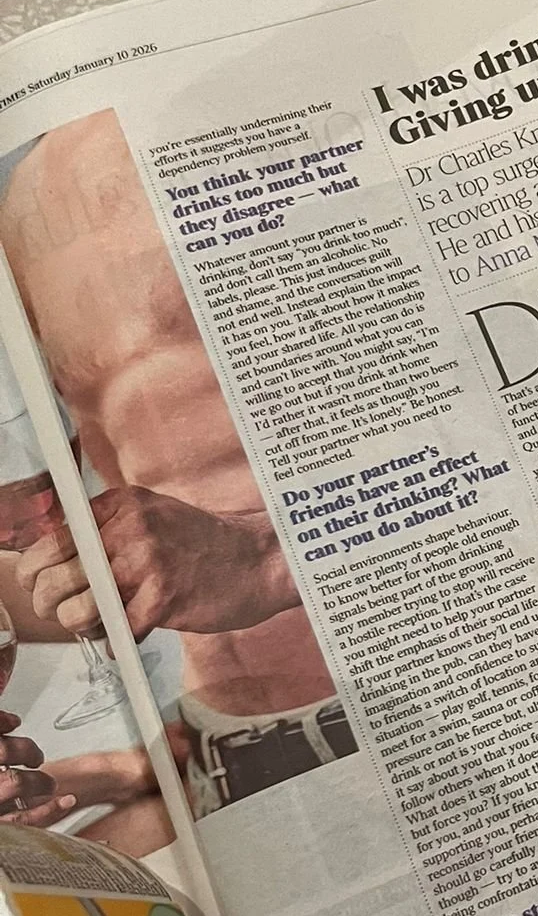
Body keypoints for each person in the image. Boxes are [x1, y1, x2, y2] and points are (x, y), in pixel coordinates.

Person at [0, 114, 359, 820]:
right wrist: (107, 773)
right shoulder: (18, 209)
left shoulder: (258, 121)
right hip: (215, 745)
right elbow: (101, 552)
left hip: (399, 703)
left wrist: (268, 557)